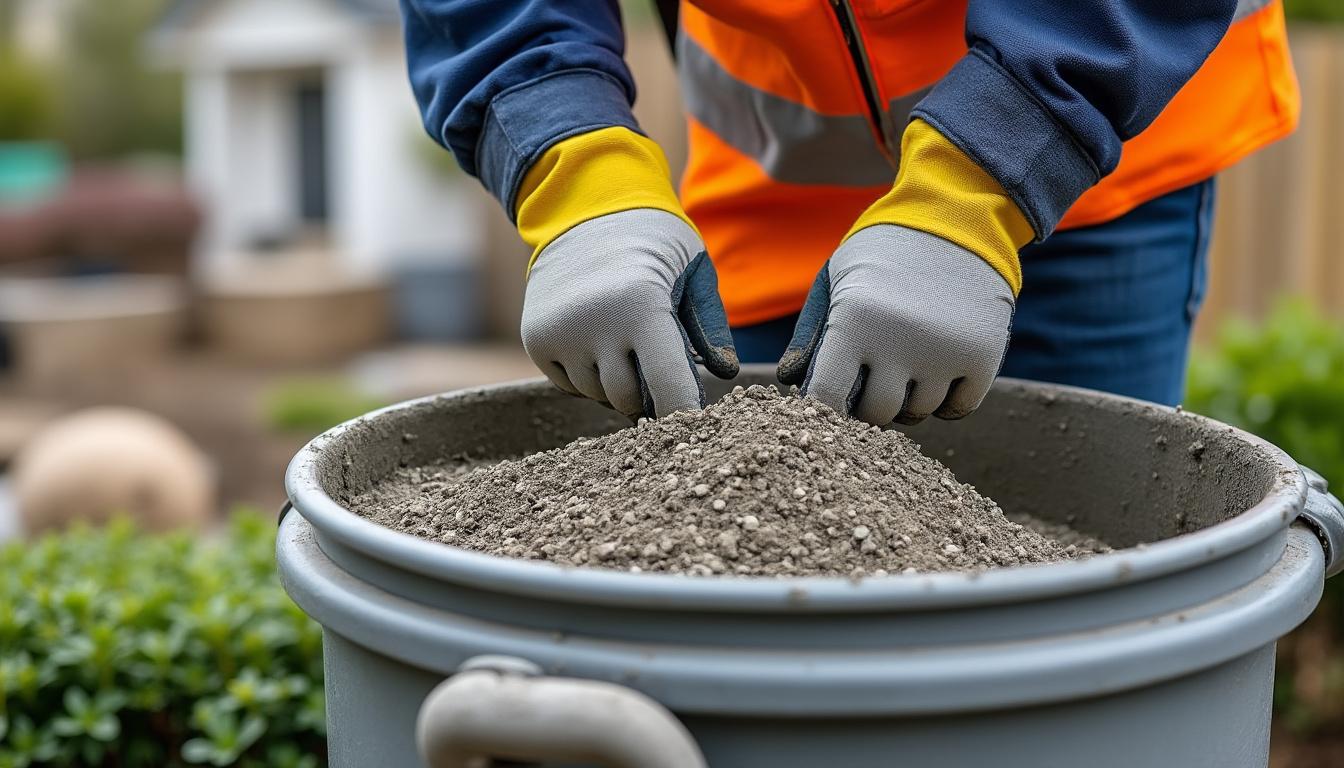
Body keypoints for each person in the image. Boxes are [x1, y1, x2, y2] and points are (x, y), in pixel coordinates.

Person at [402, 0, 1297, 424]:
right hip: (767, 190)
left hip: (1088, 155)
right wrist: (578, 178)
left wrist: (979, 186)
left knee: (1087, 597)